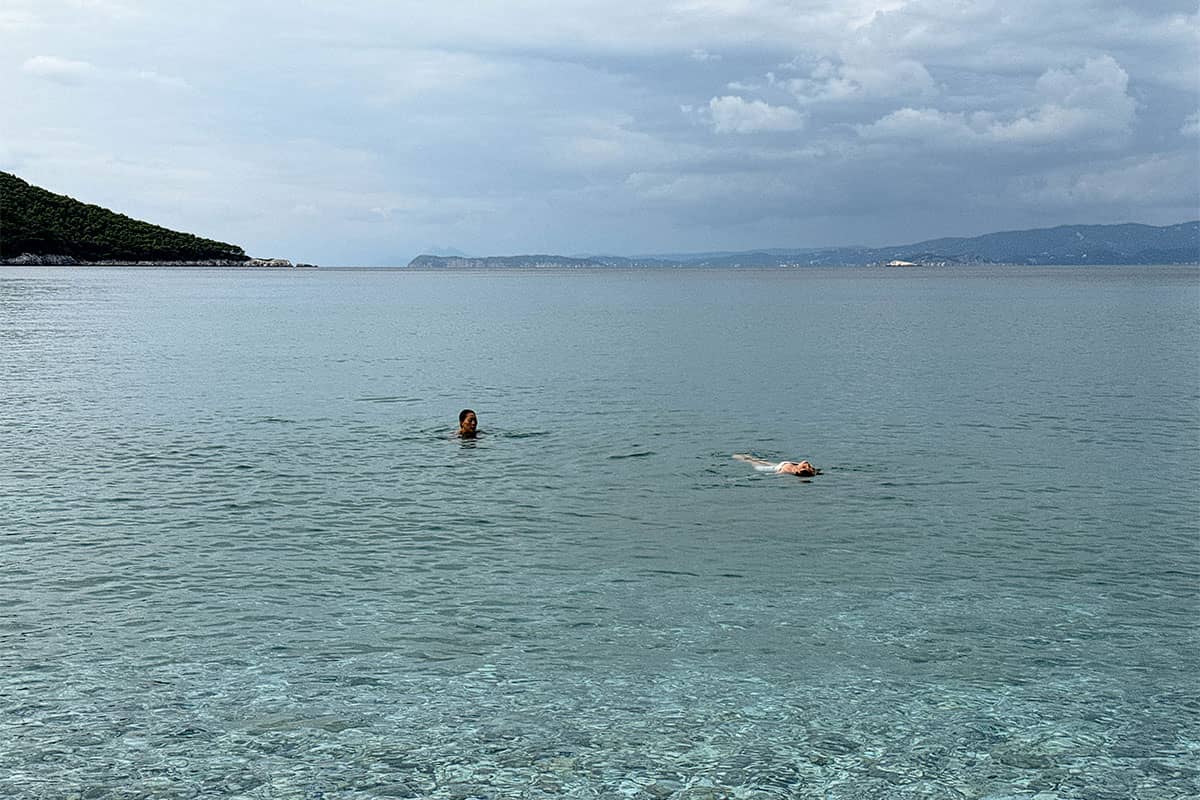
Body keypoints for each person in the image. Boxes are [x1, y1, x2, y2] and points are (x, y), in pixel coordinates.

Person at [733, 453, 820, 477]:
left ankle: (740, 457)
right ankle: (743, 457)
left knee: (754, 462)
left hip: (776, 468)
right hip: (781, 465)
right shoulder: (806, 468)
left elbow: (778, 472)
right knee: (758, 461)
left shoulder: (791, 470)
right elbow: (806, 462)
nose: (806, 464)